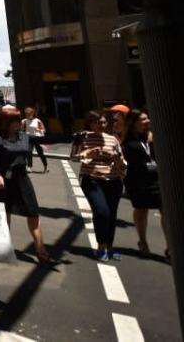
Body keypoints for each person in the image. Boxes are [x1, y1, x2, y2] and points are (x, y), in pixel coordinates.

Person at [0, 105, 51, 264]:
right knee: (4, 214)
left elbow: (44, 140)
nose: (19, 122)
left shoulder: (24, 136)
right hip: (2, 180)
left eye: (18, 119)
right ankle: (3, 247)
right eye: (15, 120)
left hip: (21, 178)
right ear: (6, 122)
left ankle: (40, 248)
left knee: (33, 212)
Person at [71, 111, 127, 261]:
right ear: (89, 123)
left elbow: (123, 162)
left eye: (103, 122)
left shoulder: (112, 140)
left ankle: (109, 247)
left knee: (112, 214)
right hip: (92, 179)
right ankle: (101, 246)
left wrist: (118, 160)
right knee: (102, 211)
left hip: (113, 180)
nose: (101, 125)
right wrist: (89, 153)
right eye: (97, 122)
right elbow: (73, 157)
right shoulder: (83, 137)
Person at [121, 110, 168, 259]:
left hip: (156, 179)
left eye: (148, 118)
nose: (147, 121)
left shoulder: (152, 137)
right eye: (143, 119)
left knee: (165, 211)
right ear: (133, 123)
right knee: (141, 210)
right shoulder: (128, 141)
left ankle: (170, 247)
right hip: (138, 181)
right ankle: (143, 241)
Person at [21, 107, 48, 172]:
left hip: (37, 138)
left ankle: (45, 166)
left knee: (40, 153)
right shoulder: (24, 121)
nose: (27, 115)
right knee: (29, 152)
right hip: (28, 137)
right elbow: (21, 130)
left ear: (32, 113)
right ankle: (29, 167)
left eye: (28, 114)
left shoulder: (38, 120)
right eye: (26, 114)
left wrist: (39, 130)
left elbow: (44, 130)